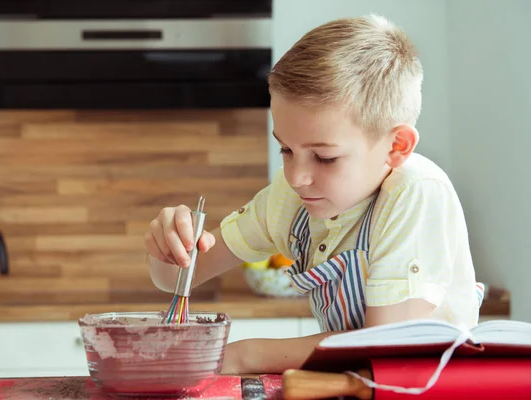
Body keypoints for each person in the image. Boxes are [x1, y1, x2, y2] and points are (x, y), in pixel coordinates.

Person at [144, 14, 483, 374]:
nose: (296, 177)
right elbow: (171, 280)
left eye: (325, 157)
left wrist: (245, 354)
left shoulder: (415, 191)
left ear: (396, 146)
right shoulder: (290, 199)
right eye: (286, 150)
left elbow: (387, 344)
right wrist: (171, 247)